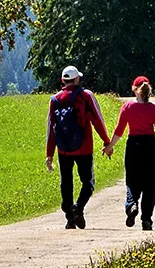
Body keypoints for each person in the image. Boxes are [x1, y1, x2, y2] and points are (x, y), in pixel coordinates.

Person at [103, 75, 155, 231]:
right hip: (150, 146)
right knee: (150, 183)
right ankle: (146, 219)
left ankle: (131, 205)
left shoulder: (128, 108)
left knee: (132, 179)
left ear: (134, 90)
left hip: (133, 146)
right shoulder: (154, 109)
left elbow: (119, 131)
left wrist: (109, 146)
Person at [46, 65, 111, 229]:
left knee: (66, 183)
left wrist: (49, 155)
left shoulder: (55, 100)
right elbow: (97, 120)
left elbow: (51, 129)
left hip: (63, 149)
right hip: (84, 148)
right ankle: (78, 207)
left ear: (63, 80)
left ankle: (69, 219)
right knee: (88, 182)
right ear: (77, 79)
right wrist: (106, 142)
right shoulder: (86, 96)